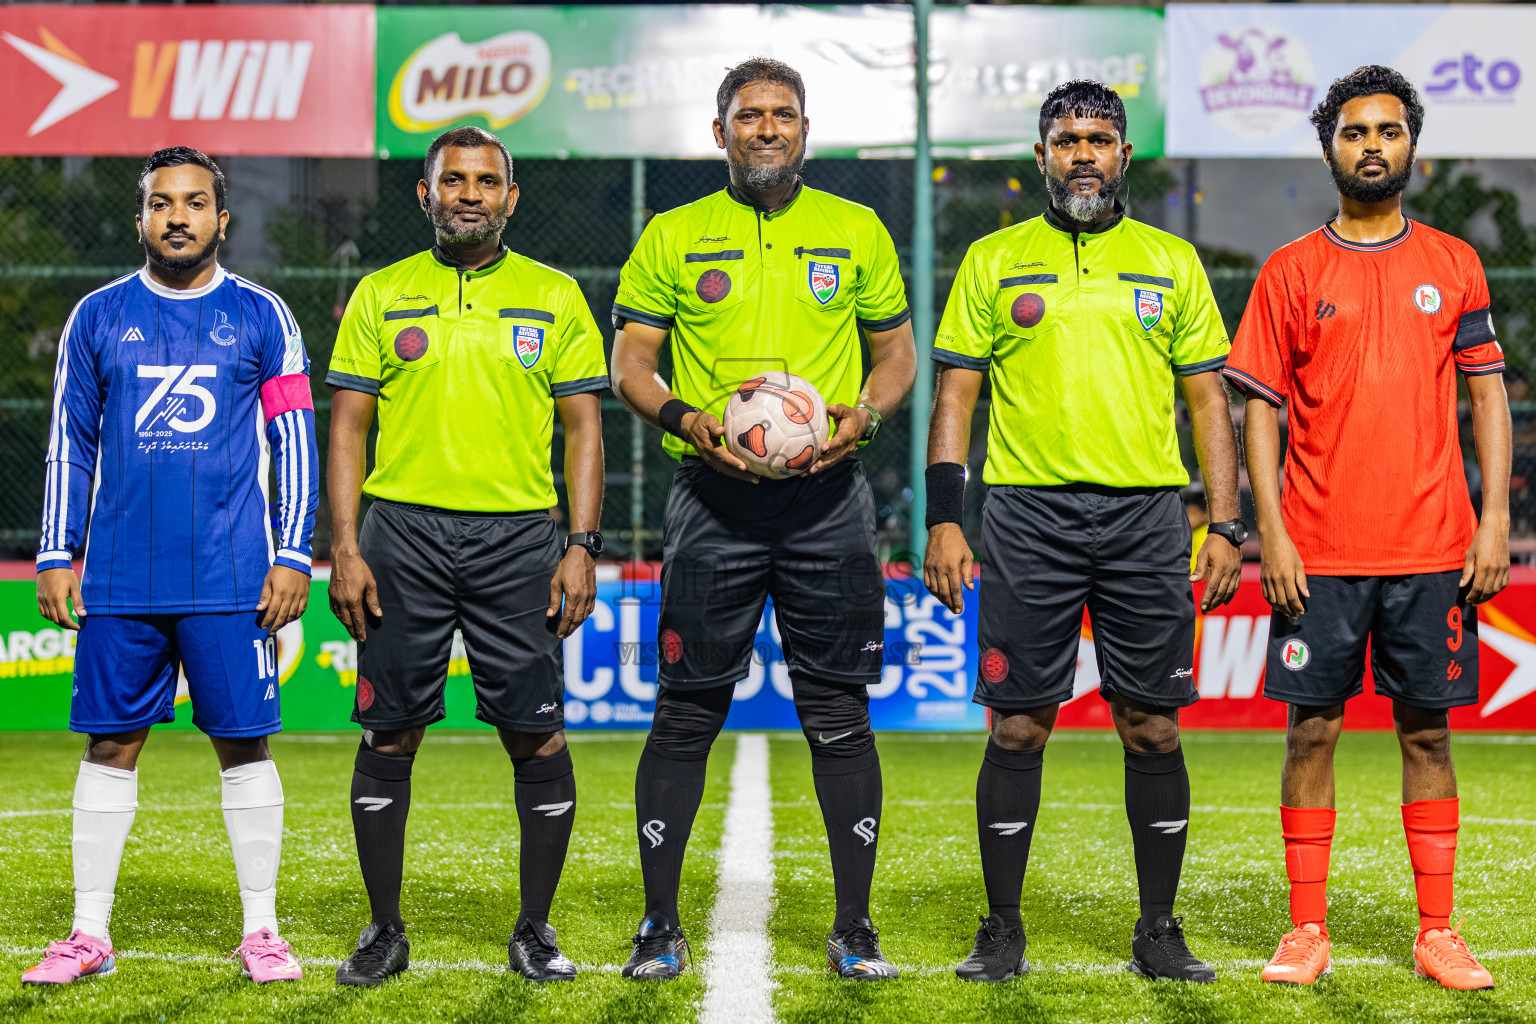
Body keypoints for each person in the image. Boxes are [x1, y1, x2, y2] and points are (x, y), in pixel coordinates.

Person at [924, 80, 1244, 984]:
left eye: (1100, 138)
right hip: (1025, 516)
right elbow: (956, 397)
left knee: (1151, 727)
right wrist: (946, 519)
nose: (1083, 154)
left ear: (1125, 154)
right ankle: (1002, 929)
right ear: (1040, 158)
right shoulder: (993, 260)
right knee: (1018, 727)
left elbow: (1207, 401)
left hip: (1147, 517)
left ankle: (1159, 930)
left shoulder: (1171, 261)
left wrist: (1227, 521)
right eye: (1066, 139)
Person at [609, 57, 916, 980]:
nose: (767, 130)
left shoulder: (855, 230)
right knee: (686, 711)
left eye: (783, 115)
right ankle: (660, 927)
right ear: (721, 134)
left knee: (839, 712)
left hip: (828, 502)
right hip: (712, 504)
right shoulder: (673, 233)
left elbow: (896, 357)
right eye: (749, 117)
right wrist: (686, 419)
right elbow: (632, 360)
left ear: (805, 130)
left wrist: (863, 415)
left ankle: (854, 930)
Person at [1224, 66, 1509, 991]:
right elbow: (1258, 409)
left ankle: (1438, 932)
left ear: (1411, 146)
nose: (1373, 145)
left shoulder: (1456, 264)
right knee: (1311, 734)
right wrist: (1273, 530)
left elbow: (1487, 394)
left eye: (1389, 130)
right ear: (1330, 147)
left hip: (1433, 548)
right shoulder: (1290, 270)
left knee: (1428, 736)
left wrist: (1493, 515)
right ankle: (1308, 930)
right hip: (1320, 551)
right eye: (1355, 132)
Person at [24, 147, 316, 985]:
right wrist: (56, 551)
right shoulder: (97, 316)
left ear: (223, 219)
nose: (177, 216)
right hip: (120, 578)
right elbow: (68, 444)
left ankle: (262, 931)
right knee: (109, 747)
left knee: (245, 750)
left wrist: (292, 551)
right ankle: (88, 934)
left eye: (195, 203)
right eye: (161, 203)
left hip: (231, 577)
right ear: (141, 217)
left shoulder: (263, 316)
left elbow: (292, 440)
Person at [325, 126, 608, 986]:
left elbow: (582, 427)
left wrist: (581, 545)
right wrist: (344, 544)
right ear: (427, 194)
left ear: (511, 198)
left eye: (488, 181)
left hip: (520, 537)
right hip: (400, 534)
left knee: (536, 735)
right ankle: (383, 931)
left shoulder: (555, 296)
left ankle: (534, 930)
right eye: (455, 180)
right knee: (391, 731)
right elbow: (346, 426)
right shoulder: (380, 293)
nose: (471, 194)